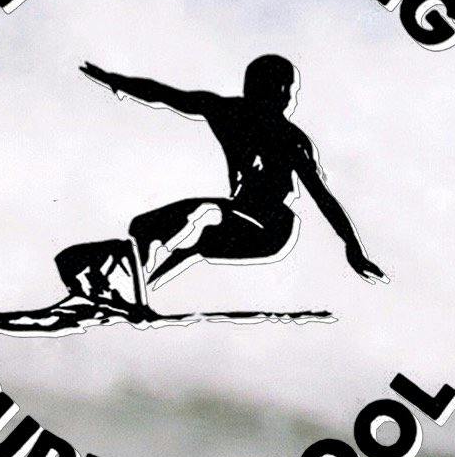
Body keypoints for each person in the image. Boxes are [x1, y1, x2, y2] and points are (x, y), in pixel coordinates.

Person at [59, 54, 379, 320]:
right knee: (144, 227)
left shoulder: (291, 141)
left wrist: (352, 245)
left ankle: (133, 294)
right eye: (284, 89)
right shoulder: (227, 111)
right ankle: (131, 291)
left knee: (204, 218)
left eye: (289, 89)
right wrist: (117, 81)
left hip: (271, 228)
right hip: (233, 214)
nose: (288, 97)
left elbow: (322, 197)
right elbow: (164, 95)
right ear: (262, 89)